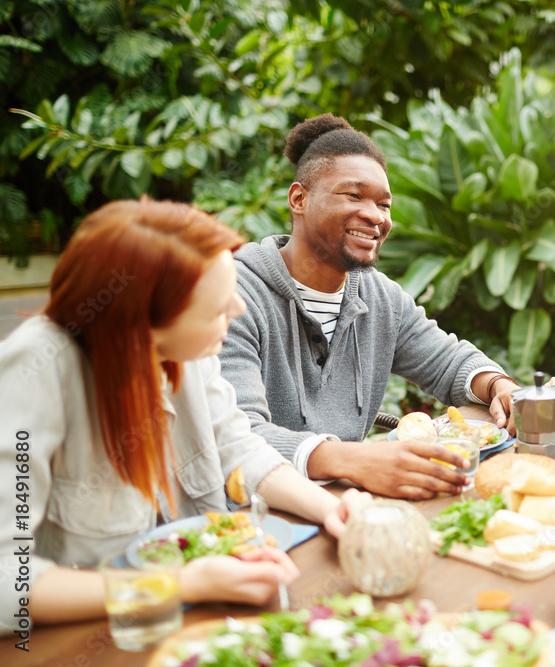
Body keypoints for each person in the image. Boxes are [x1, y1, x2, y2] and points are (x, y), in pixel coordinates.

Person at [0, 198, 369, 632]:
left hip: (200, 621)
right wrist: (184, 583)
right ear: (142, 326)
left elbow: (236, 446)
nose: (237, 310)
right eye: (215, 308)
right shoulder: (34, 374)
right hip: (92, 635)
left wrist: (328, 508)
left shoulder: (187, 350)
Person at [219, 114, 520, 500]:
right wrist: (357, 460)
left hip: (352, 504)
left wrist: (498, 385)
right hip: (257, 516)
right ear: (299, 199)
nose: (376, 216)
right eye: (354, 195)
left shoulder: (379, 297)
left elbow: (448, 362)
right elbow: (236, 434)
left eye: (384, 204)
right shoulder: (232, 295)